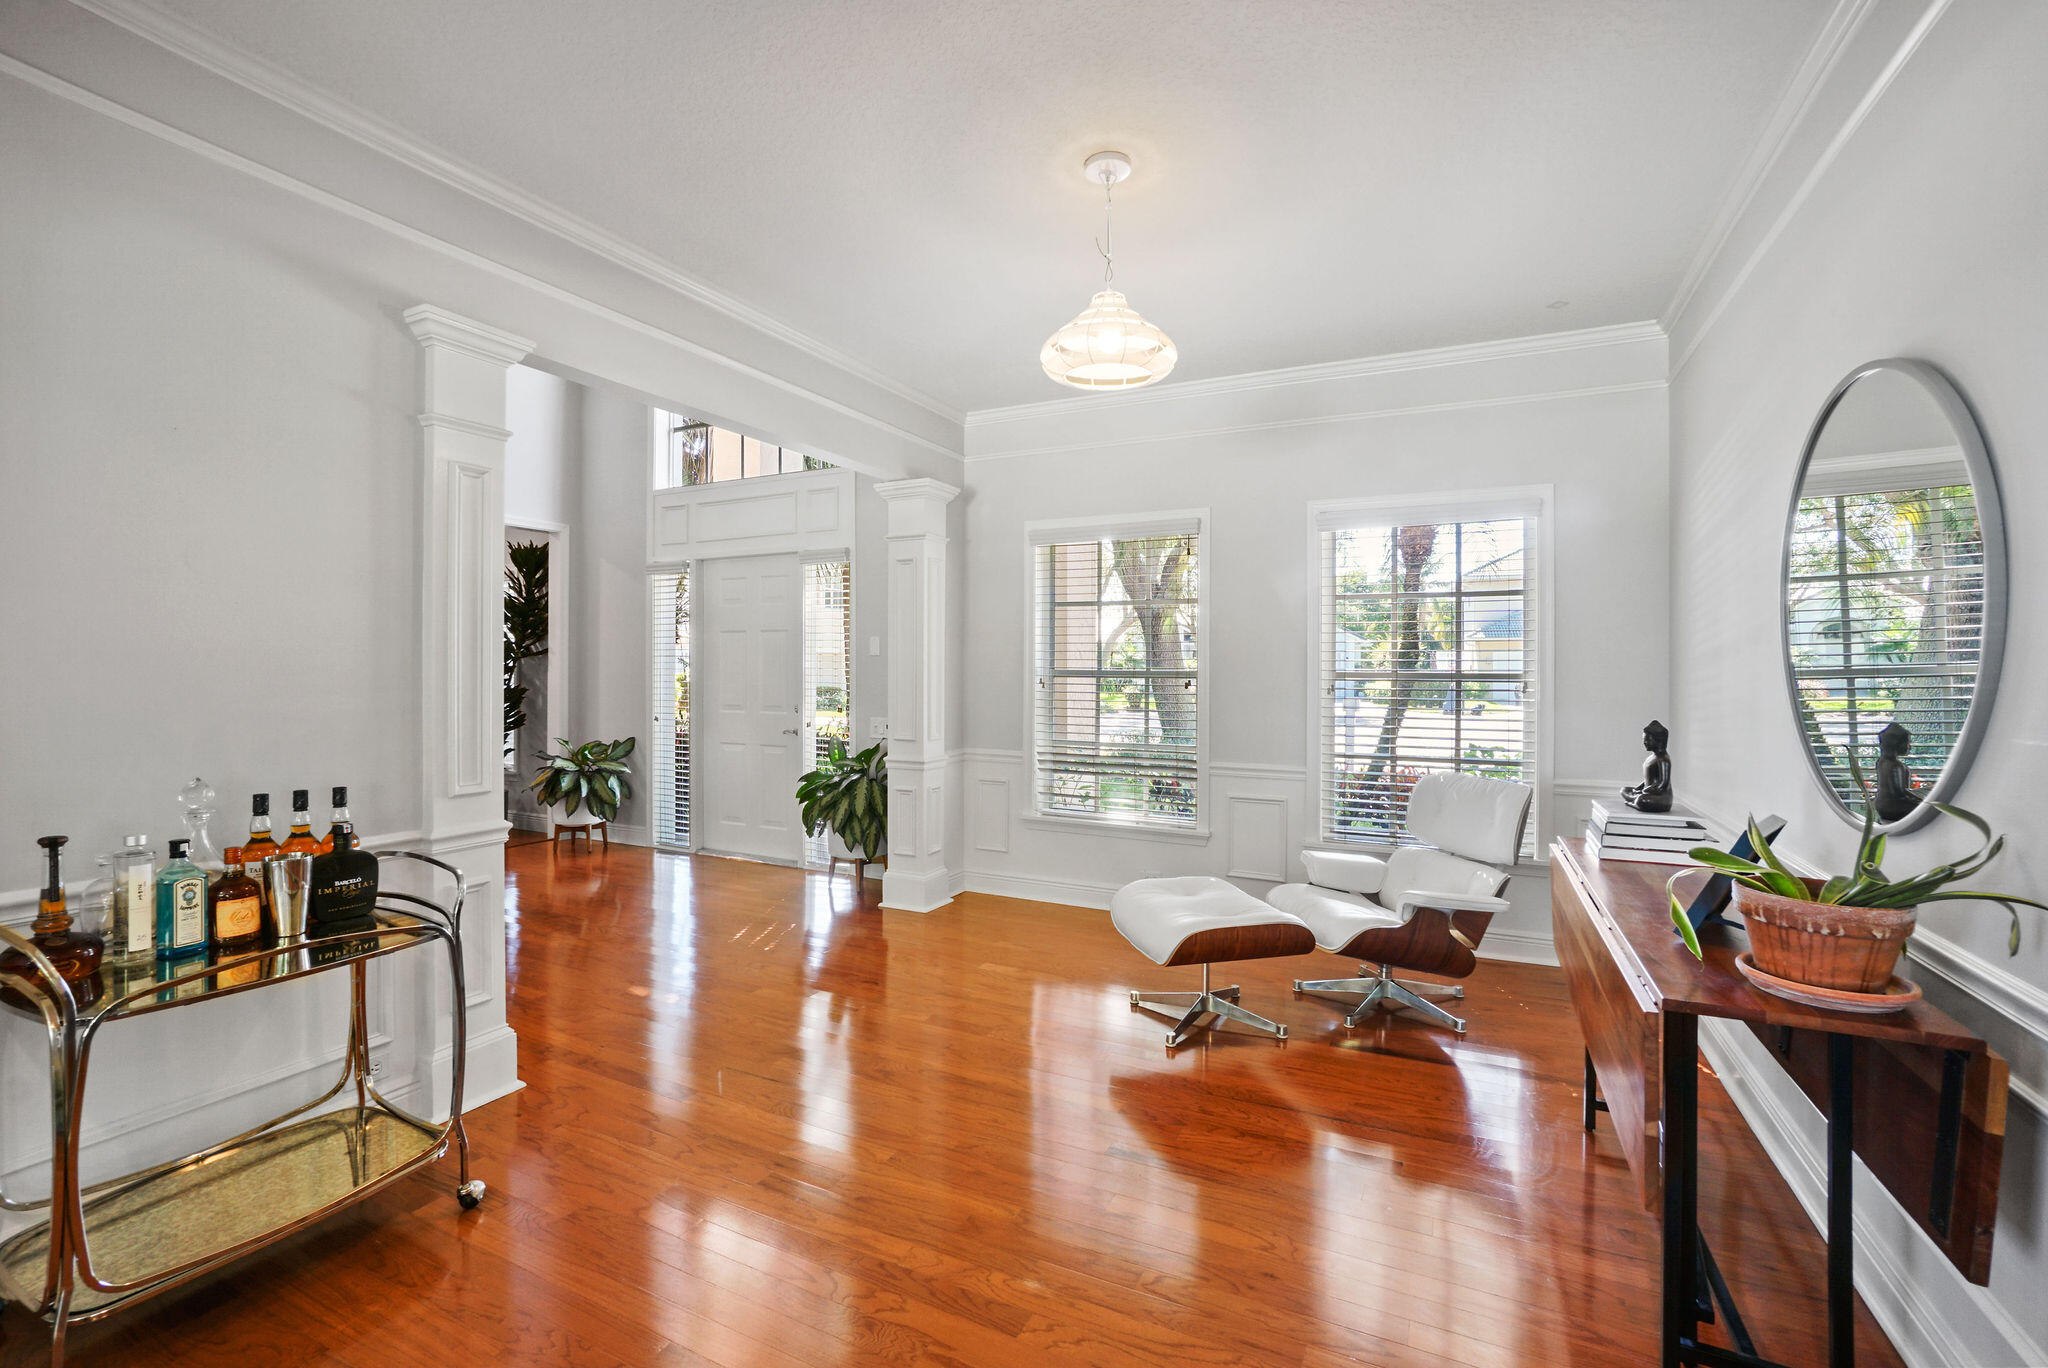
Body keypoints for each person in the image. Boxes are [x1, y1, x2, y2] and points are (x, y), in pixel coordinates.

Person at [1621, 720, 1673, 813]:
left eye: (1647, 740)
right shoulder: (1650, 758)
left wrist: (1643, 791)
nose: (1644, 742)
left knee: (1642, 800)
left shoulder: (1663, 759)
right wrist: (1637, 789)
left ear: (1658, 740)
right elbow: (1648, 780)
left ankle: (1635, 802)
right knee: (1624, 790)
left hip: (1661, 797)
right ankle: (1636, 800)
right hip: (1647, 792)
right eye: (1644, 740)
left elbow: (1662, 785)